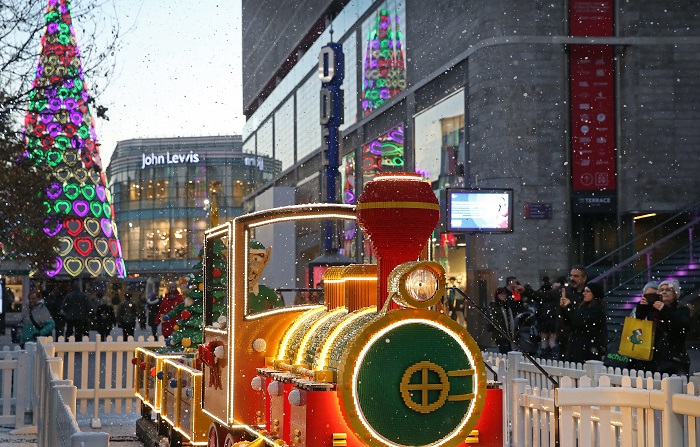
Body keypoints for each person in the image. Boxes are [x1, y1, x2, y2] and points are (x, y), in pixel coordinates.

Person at [633, 279, 691, 375]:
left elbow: (683, 325)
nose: (664, 292)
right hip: (652, 357)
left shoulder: (682, 310)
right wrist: (641, 305)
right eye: (661, 290)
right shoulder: (653, 308)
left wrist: (664, 309)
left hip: (674, 358)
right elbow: (639, 318)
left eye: (668, 290)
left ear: (675, 295)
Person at [559, 281, 607, 363]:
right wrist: (564, 309)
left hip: (588, 348)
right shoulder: (583, 307)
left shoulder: (597, 310)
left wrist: (569, 307)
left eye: (587, 291)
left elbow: (580, 321)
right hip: (576, 346)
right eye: (584, 291)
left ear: (594, 294)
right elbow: (570, 322)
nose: (584, 293)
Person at [247, 240, 284, 314]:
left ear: (265, 260)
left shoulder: (264, 291)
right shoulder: (234, 293)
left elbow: (280, 308)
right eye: (246, 260)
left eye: (256, 260)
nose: (250, 270)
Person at [488, 287, 516, 353]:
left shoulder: (506, 306)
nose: (503, 296)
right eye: (501, 294)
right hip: (500, 334)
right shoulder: (495, 306)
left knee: (508, 351)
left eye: (504, 294)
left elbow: (510, 320)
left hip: (508, 334)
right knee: (504, 351)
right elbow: (494, 320)